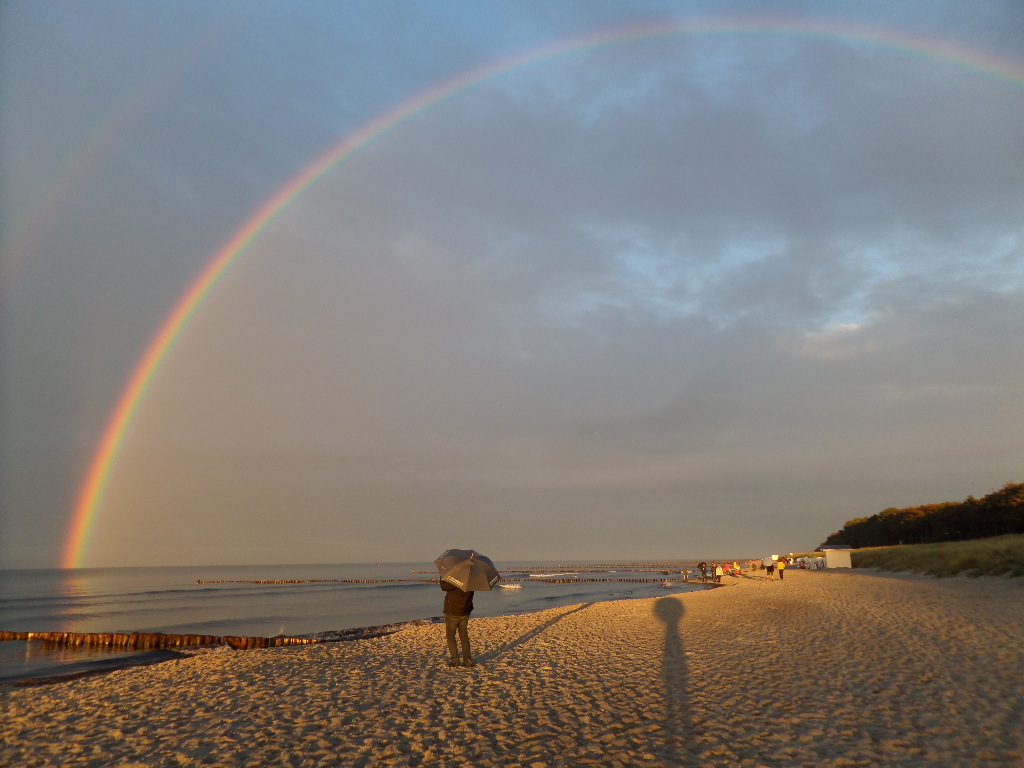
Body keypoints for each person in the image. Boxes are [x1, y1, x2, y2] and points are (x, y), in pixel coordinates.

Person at [441, 580, 474, 667]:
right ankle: (468, 661)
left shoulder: (456, 580)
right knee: (464, 637)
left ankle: (455, 661)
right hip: (465, 611)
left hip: (453, 611)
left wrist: (443, 577)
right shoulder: (471, 581)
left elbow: (444, 587)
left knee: (451, 636)